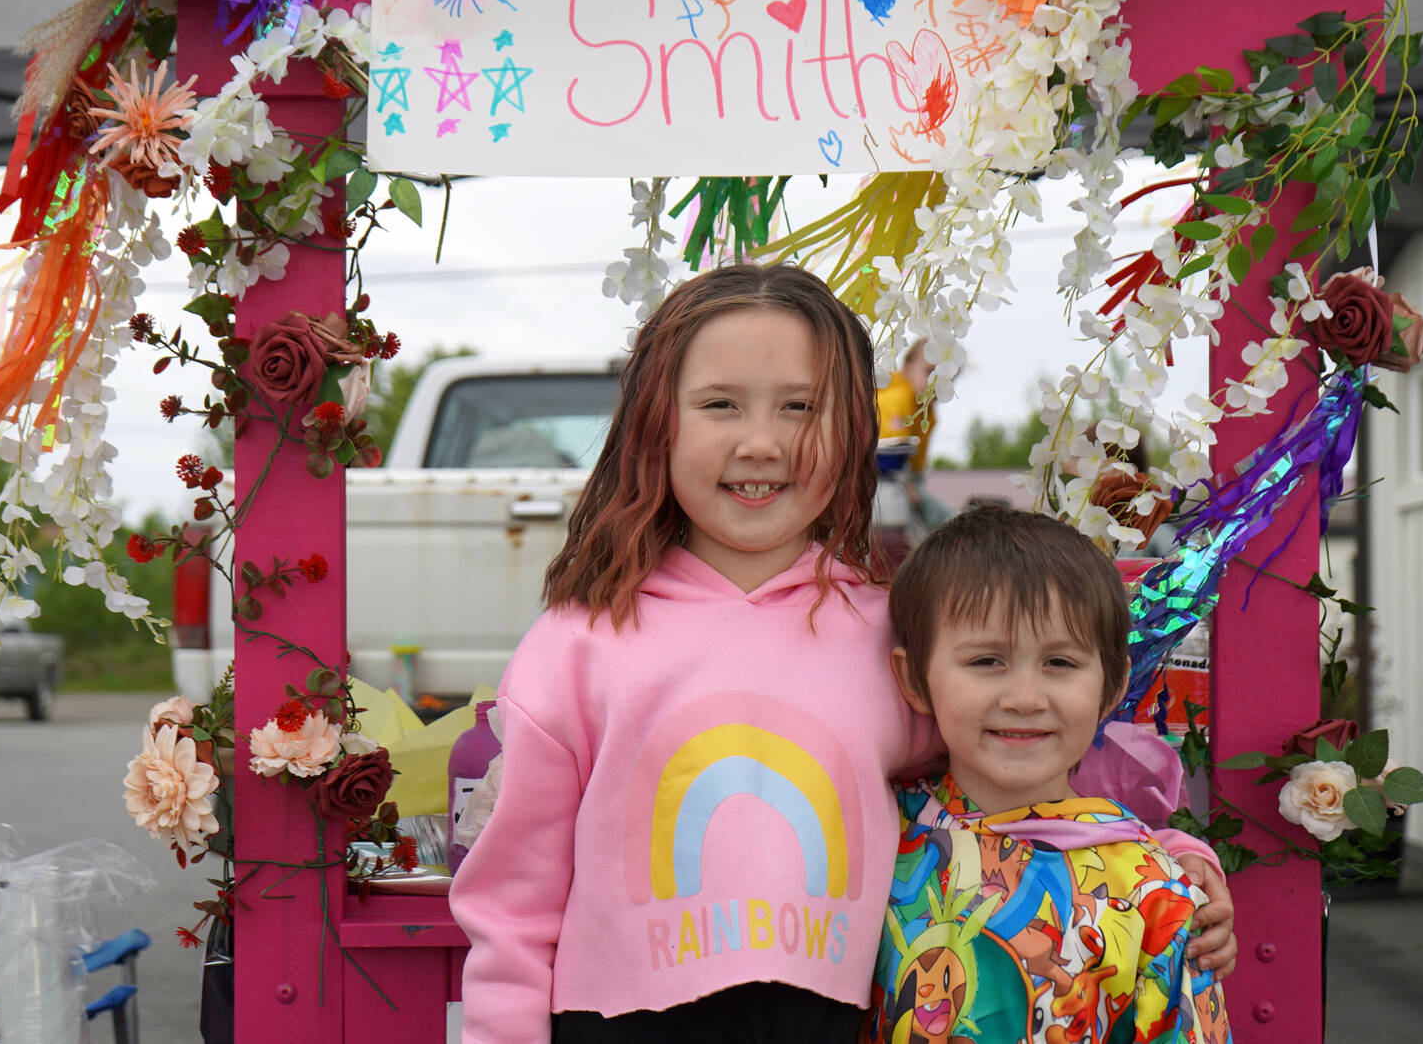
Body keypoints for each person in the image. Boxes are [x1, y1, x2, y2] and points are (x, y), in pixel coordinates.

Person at [451, 264, 1233, 1043]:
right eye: (721, 404)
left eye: (801, 407)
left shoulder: (890, 634)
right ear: (657, 424)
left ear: (857, 430)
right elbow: (512, 913)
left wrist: (1163, 855)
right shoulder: (579, 642)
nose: (761, 442)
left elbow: (1026, 762)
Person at [871, 504, 1231, 1042]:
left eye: (1060, 663)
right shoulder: (870, 837)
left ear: (1111, 686)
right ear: (915, 678)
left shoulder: (1160, 895)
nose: (1023, 698)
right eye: (986, 661)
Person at [874, 339, 936, 473]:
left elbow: (918, 463)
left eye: (948, 379)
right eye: (929, 372)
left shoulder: (927, 414)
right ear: (907, 368)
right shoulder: (899, 395)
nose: (935, 382)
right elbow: (890, 448)